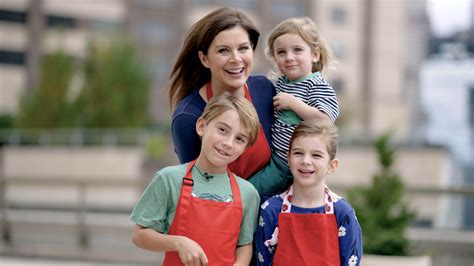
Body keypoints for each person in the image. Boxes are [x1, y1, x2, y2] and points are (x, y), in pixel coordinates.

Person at [131, 93, 261, 266]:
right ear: (202, 126)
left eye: (239, 139)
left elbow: (245, 245)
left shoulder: (248, 193)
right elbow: (139, 235)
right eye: (222, 130)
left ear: (245, 148)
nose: (228, 143)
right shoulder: (169, 179)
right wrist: (178, 242)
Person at [169, 7, 274, 181]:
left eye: (243, 48)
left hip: (274, 207)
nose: (236, 59)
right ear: (204, 59)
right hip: (219, 207)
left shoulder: (264, 90)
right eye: (223, 50)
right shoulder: (187, 117)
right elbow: (200, 186)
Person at [247, 17, 339, 199]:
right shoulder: (282, 83)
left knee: (248, 191)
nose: (289, 57)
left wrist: (294, 104)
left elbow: (325, 120)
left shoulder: (316, 85)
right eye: (281, 52)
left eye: (297, 50)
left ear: (315, 54)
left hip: (289, 164)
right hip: (273, 157)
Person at [254, 121, 362, 266]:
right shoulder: (270, 209)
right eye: (298, 153)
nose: (305, 161)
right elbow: (262, 262)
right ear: (288, 159)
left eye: (316, 155)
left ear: (331, 166)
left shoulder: (342, 213)